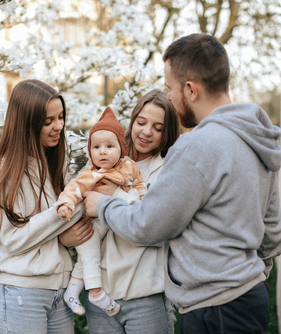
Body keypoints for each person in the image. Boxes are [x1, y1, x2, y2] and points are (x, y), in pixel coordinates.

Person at [84, 33, 281, 333]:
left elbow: (148, 226)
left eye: (169, 89)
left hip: (213, 308)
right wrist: (250, 277)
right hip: (250, 298)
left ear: (190, 89)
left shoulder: (195, 147)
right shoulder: (257, 136)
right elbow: (273, 235)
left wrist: (102, 204)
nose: (168, 98)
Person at [61, 89, 180, 333]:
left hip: (145, 296)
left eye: (158, 128)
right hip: (101, 296)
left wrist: (111, 197)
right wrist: (66, 237)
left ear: (167, 133)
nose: (146, 132)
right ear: (132, 121)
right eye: (141, 122)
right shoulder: (101, 159)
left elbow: (158, 230)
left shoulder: (169, 170)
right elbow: (75, 208)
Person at [0, 79, 93, 334]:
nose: (59, 127)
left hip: (58, 292)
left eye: (61, 117)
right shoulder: (7, 170)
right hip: (21, 293)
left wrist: (63, 239)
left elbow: (58, 229)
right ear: (27, 123)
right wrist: (75, 204)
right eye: (48, 122)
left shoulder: (52, 164)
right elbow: (13, 239)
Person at [57, 106, 147, 317]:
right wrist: (66, 204)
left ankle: (73, 289)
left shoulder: (129, 167)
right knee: (90, 253)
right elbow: (73, 190)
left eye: (109, 146)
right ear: (90, 152)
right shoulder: (90, 174)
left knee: (89, 258)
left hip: (112, 223)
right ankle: (95, 292)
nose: (102, 151)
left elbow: (140, 183)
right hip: (91, 226)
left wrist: (142, 198)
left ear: (121, 149)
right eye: (96, 147)